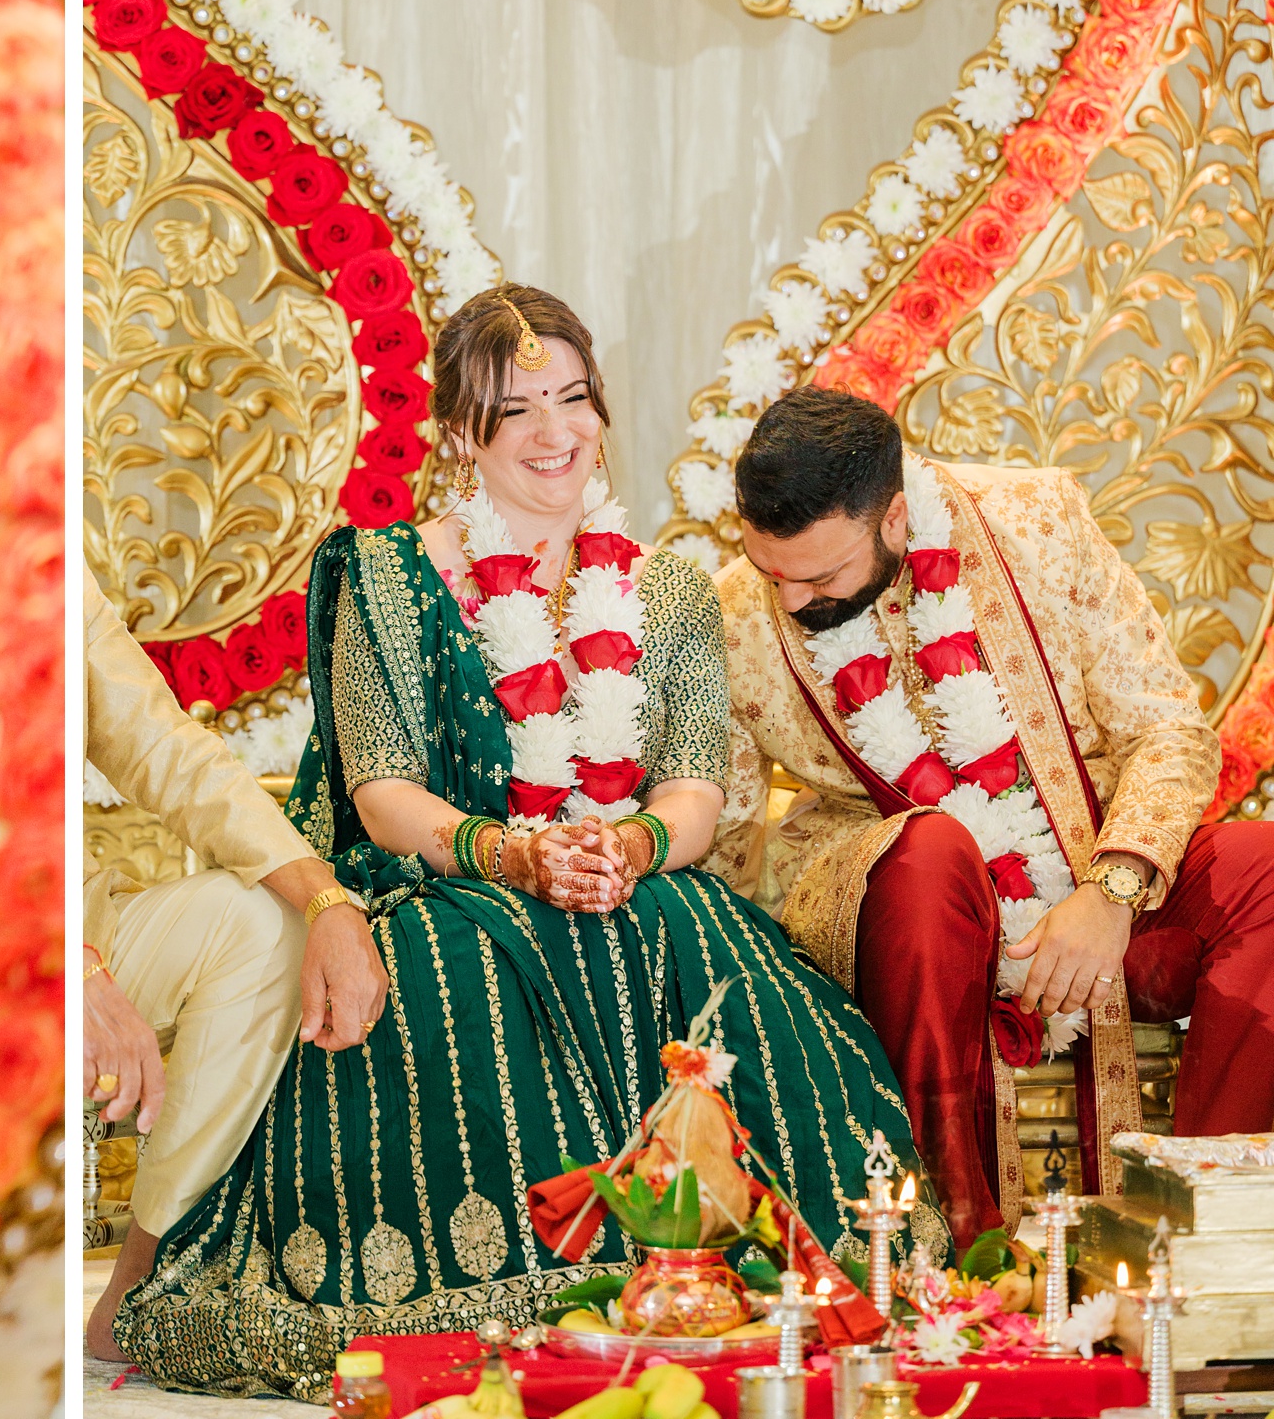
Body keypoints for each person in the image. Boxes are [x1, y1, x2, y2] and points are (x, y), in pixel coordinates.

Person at [114, 287, 921, 1400]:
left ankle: (731, 1283)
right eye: (515, 412)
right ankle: (515, 1299)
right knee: (464, 959)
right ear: (459, 436)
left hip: (630, 879)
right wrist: (514, 856)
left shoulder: (669, 587)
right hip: (438, 881)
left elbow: (693, 786)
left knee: (688, 933)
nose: (556, 433)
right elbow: (381, 787)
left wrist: (631, 847)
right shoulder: (387, 576)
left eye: (573, 398)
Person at [713, 387, 1274, 1247]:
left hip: (1097, 868)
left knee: (1262, 869)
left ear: (896, 518)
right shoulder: (734, 618)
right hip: (910, 916)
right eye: (770, 572)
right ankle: (953, 1240)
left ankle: (1201, 1230)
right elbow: (728, 840)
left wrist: (1110, 893)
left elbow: (1167, 725)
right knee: (934, 848)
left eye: (821, 576)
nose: (788, 601)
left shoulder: (1036, 520)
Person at [79, 566, 391, 1363]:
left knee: (263, 920)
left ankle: (138, 1287)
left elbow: (170, 753)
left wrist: (328, 900)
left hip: (70, 920)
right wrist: (66, 968)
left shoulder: (47, 573)